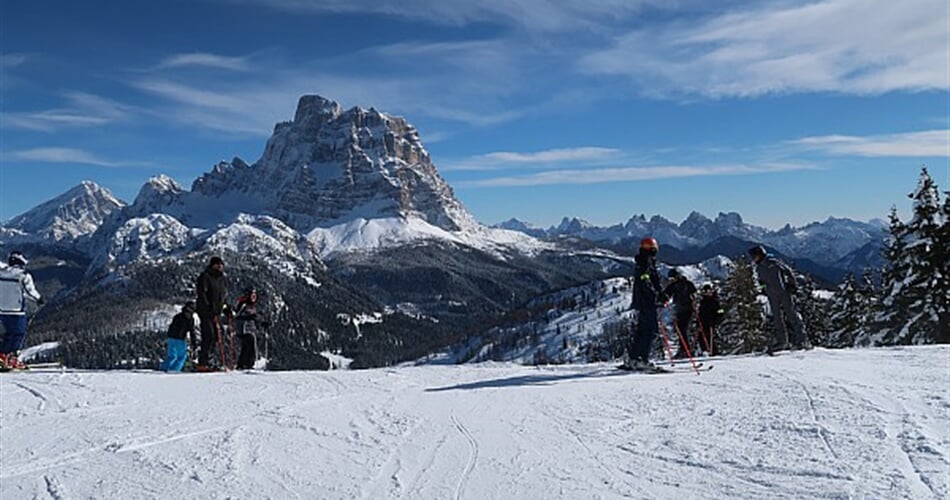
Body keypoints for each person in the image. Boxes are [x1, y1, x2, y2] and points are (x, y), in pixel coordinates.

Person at [748, 245, 808, 353]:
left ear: (760, 254)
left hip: (784, 292)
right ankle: (782, 342)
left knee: (791, 315)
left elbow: (788, 271)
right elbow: (761, 281)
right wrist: (763, 289)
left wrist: (792, 284)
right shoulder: (759, 267)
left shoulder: (773, 262)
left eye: (754, 256)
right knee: (777, 319)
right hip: (772, 295)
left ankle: (802, 340)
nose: (753, 258)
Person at [625, 237, 665, 371]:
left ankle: (633, 359)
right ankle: (642, 359)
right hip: (647, 301)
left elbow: (649, 280)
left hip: (642, 300)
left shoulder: (643, 261)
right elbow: (646, 280)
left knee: (642, 330)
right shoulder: (646, 262)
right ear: (653, 249)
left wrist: (658, 292)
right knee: (650, 330)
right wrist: (655, 295)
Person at [0, 251, 45, 370]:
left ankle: (2, 357)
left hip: (2, 310)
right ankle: (12, 359)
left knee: (9, 333)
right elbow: (30, 291)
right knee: (18, 334)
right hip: (16, 309)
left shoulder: (1, 273)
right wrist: (39, 299)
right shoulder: (23, 275)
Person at [195, 256, 229, 371]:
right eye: (217, 264)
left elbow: (222, 297)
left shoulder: (221, 279)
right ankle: (203, 362)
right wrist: (208, 307)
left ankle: (210, 360)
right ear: (212, 265)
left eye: (221, 264)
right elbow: (202, 294)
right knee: (209, 335)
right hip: (206, 311)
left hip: (216, 312)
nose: (220, 266)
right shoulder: (205, 276)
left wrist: (225, 308)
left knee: (216, 336)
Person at [662, 268, 697, 358]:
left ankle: (685, 350)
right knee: (680, 329)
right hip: (679, 309)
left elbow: (694, 293)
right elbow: (666, 294)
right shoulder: (674, 285)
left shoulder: (686, 284)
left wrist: (694, 301)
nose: (671, 280)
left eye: (673, 278)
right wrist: (662, 300)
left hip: (687, 309)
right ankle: (684, 349)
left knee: (682, 329)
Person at [233, 287, 269, 370]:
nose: (254, 298)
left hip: (250, 329)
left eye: (255, 296)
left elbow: (255, 317)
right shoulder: (243, 304)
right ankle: (246, 364)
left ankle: (244, 364)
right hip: (243, 328)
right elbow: (237, 315)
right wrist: (248, 317)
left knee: (248, 346)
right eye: (252, 295)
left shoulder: (252, 306)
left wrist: (262, 323)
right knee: (249, 344)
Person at [160, 301, 197, 372]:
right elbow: (192, 332)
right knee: (182, 357)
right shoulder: (190, 319)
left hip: (171, 338)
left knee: (171, 356)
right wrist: (194, 343)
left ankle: (164, 369)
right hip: (180, 339)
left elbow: (171, 326)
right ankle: (174, 370)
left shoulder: (178, 316)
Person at [697, 283, 725, 355]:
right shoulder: (703, 301)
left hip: (711, 322)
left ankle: (714, 352)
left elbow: (720, 311)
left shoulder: (714, 301)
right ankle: (705, 350)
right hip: (703, 322)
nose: (707, 293)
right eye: (705, 292)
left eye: (708, 291)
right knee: (701, 337)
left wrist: (716, 319)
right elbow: (701, 312)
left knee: (710, 337)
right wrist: (698, 321)